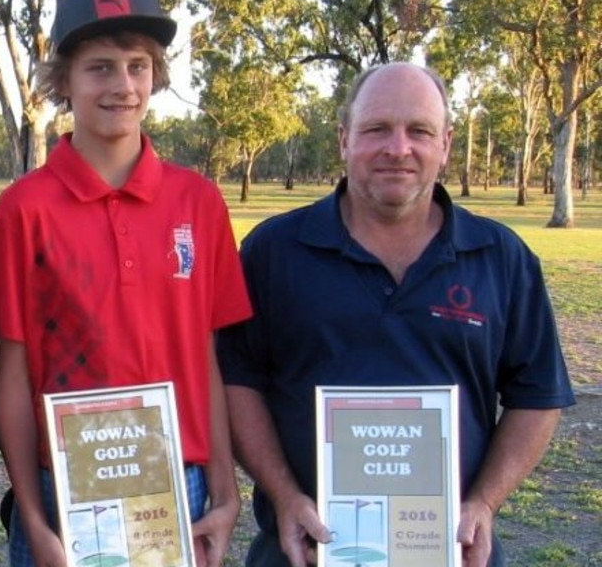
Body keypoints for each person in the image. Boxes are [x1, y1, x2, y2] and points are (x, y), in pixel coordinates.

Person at [216, 62, 576, 567]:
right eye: (377, 129)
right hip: (304, 550)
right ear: (344, 139)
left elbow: (537, 395)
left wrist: (484, 502)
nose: (398, 148)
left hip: (448, 548)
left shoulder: (501, 257)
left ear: (446, 144)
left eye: (419, 131)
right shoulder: (273, 252)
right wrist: (285, 495)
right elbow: (237, 382)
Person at [0, 0, 251, 567]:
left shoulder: (198, 201)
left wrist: (227, 495)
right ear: (65, 82)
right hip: (62, 493)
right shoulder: (25, 208)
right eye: (100, 68)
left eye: (138, 66)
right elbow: (15, 375)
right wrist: (31, 517)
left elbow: (206, 359)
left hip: (180, 484)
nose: (123, 86)